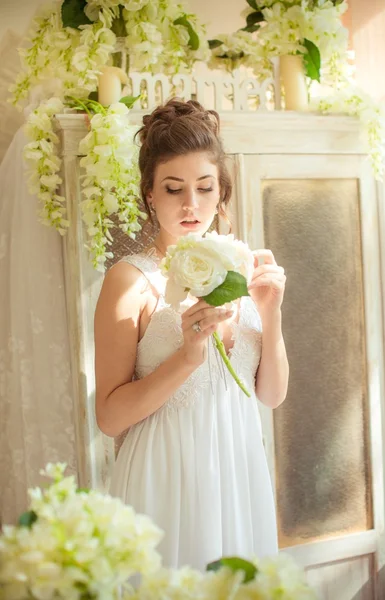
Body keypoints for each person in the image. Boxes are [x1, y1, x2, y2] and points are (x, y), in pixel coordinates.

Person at [94, 98, 289, 571]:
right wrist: (186, 356)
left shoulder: (245, 268)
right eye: (173, 188)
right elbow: (110, 418)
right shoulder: (130, 279)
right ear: (149, 194)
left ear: (221, 192)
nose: (190, 205)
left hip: (239, 470)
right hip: (166, 474)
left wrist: (272, 312)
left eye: (204, 188)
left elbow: (272, 396)